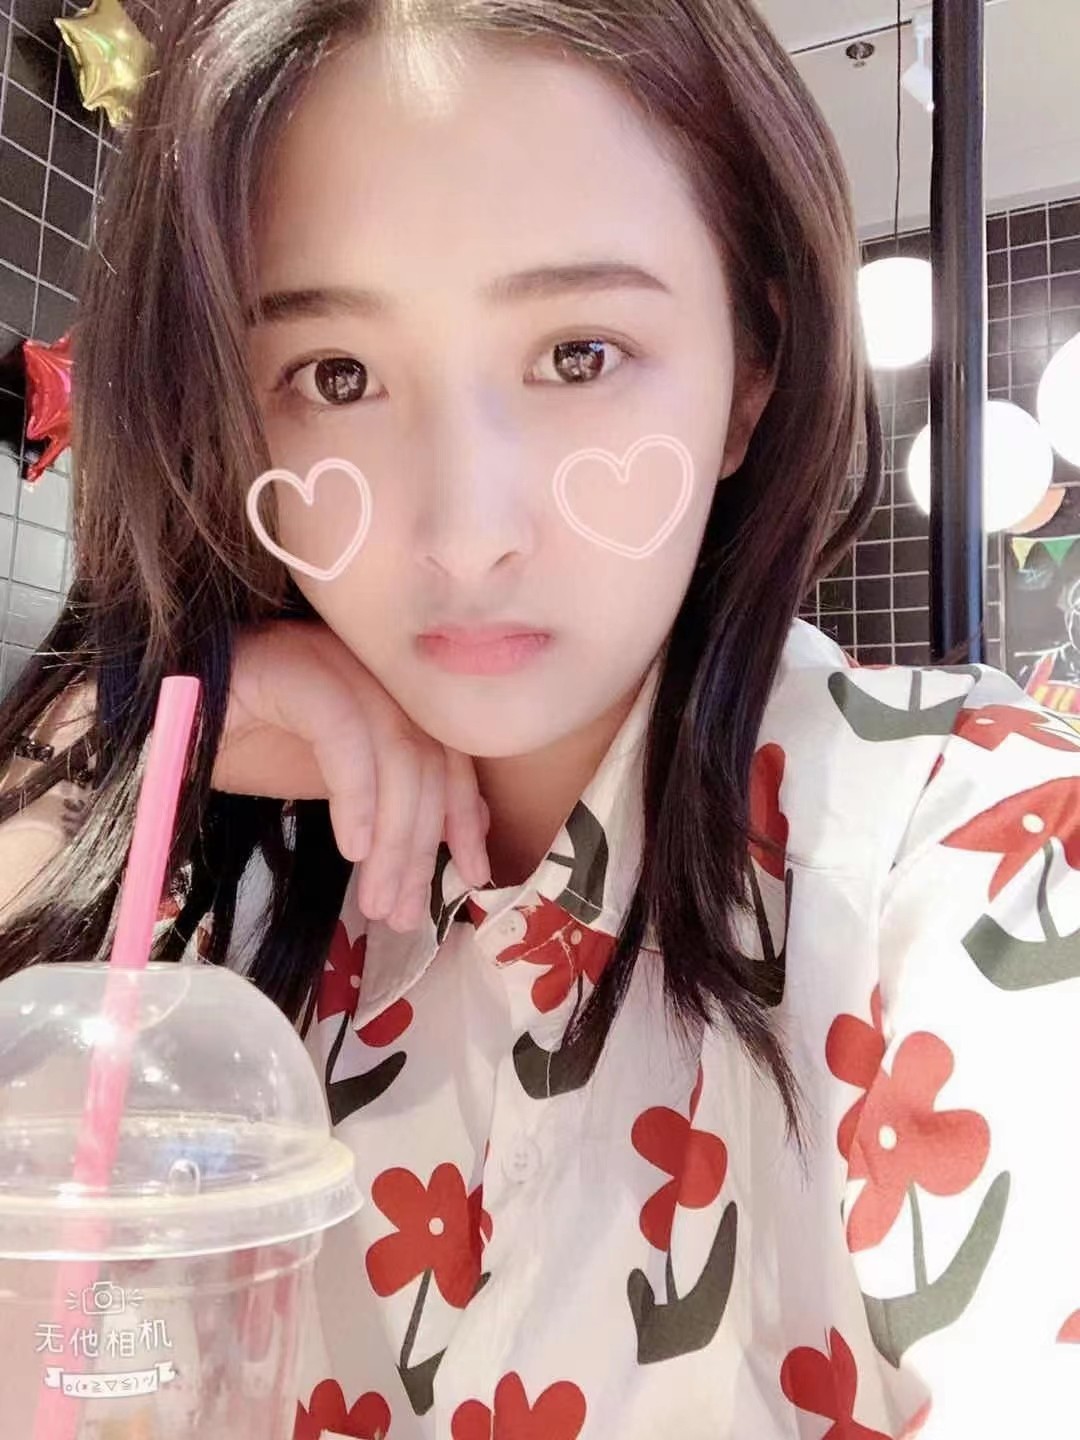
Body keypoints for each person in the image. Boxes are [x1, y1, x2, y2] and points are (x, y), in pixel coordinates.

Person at [1, 1, 1078, 1435]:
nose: (466, 533)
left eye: (579, 353)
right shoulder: (233, 919)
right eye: (337, 377)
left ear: (750, 370)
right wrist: (124, 733)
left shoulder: (978, 870)